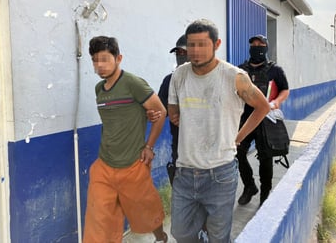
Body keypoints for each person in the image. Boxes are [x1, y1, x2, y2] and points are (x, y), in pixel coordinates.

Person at [168, 19, 270, 242]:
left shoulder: (235, 77)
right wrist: (175, 114)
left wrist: (239, 138)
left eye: (202, 44)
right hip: (185, 171)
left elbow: (263, 107)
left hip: (220, 173)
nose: (195, 51)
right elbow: (173, 108)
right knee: (181, 233)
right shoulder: (179, 75)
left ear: (216, 44)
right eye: (191, 45)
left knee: (218, 236)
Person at [83, 36, 168, 243]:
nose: (99, 65)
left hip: (132, 164)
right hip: (104, 164)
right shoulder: (99, 90)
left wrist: (149, 146)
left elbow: (160, 111)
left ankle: (161, 237)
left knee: (146, 212)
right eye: (95, 60)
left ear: (118, 58)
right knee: (99, 221)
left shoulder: (133, 83)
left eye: (104, 59)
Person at [236, 34, 290, 206]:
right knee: (238, 152)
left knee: (265, 157)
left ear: (266, 47)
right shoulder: (240, 70)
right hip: (244, 118)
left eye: (260, 44)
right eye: (253, 43)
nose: (256, 46)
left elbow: (285, 90)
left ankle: (265, 195)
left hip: (266, 119)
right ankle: (249, 186)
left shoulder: (275, 70)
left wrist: (276, 102)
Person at [157, 34, 188, 184]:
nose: (181, 56)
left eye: (184, 52)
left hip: (205, 147)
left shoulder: (205, 80)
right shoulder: (169, 80)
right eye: (178, 53)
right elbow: (160, 108)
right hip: (179, 146)